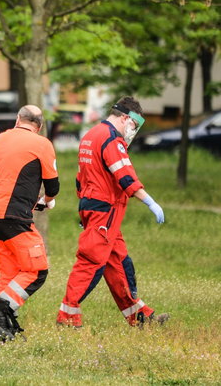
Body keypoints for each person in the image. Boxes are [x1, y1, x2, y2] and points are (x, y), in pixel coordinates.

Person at [56, 97, 169, 328]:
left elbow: (81, 178)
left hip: (95, 208)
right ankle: (67, 317)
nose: (132, 132)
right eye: (134, 127)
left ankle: (140, 317)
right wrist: (150, 202)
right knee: (91, 263)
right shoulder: (112, 139)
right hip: (105, 211)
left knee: (119, 265)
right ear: (126, 118)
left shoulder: (90, 135)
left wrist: (85, 209)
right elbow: (125, 176)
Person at [0, 105, 59, 341]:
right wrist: (46, 200)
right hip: (14, 217)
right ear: (39, 126)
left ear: (17, 120)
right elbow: (53, 186)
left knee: (10, 272)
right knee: (37, 271)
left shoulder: (0, 139)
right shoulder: (42, 143)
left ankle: (4, 330)